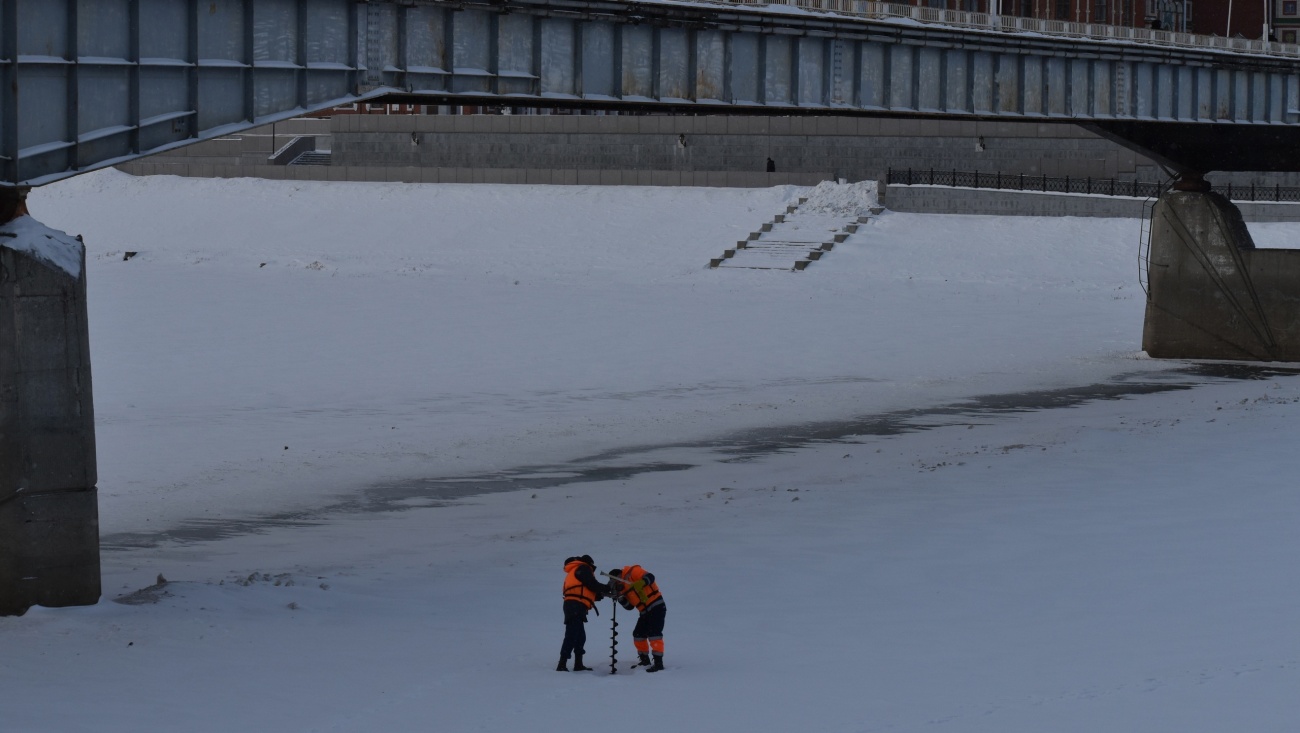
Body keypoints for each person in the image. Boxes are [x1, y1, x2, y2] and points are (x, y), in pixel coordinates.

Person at [606, 564, 667, 672]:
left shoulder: (633, 571)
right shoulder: (624, 588)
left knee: (654, 634)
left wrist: (642, 582)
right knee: (638, 634)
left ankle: (658, 663)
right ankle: (644, 660)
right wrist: (620, 598)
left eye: (616, 582)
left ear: (619, 576)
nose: (618, 584)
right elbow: (629, 607)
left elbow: (650, 577)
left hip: (656, 606)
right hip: (644, 612)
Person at [559, 554, 606, 671]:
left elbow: (587, 589)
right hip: (575, 605)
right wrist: (606, 588)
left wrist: (600, 594)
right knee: (572, 634)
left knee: (580, 636)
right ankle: (562, 664)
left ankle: (578, 664)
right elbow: (592, 584)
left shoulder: (577, 570)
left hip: (575, 605)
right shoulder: (583, 568)